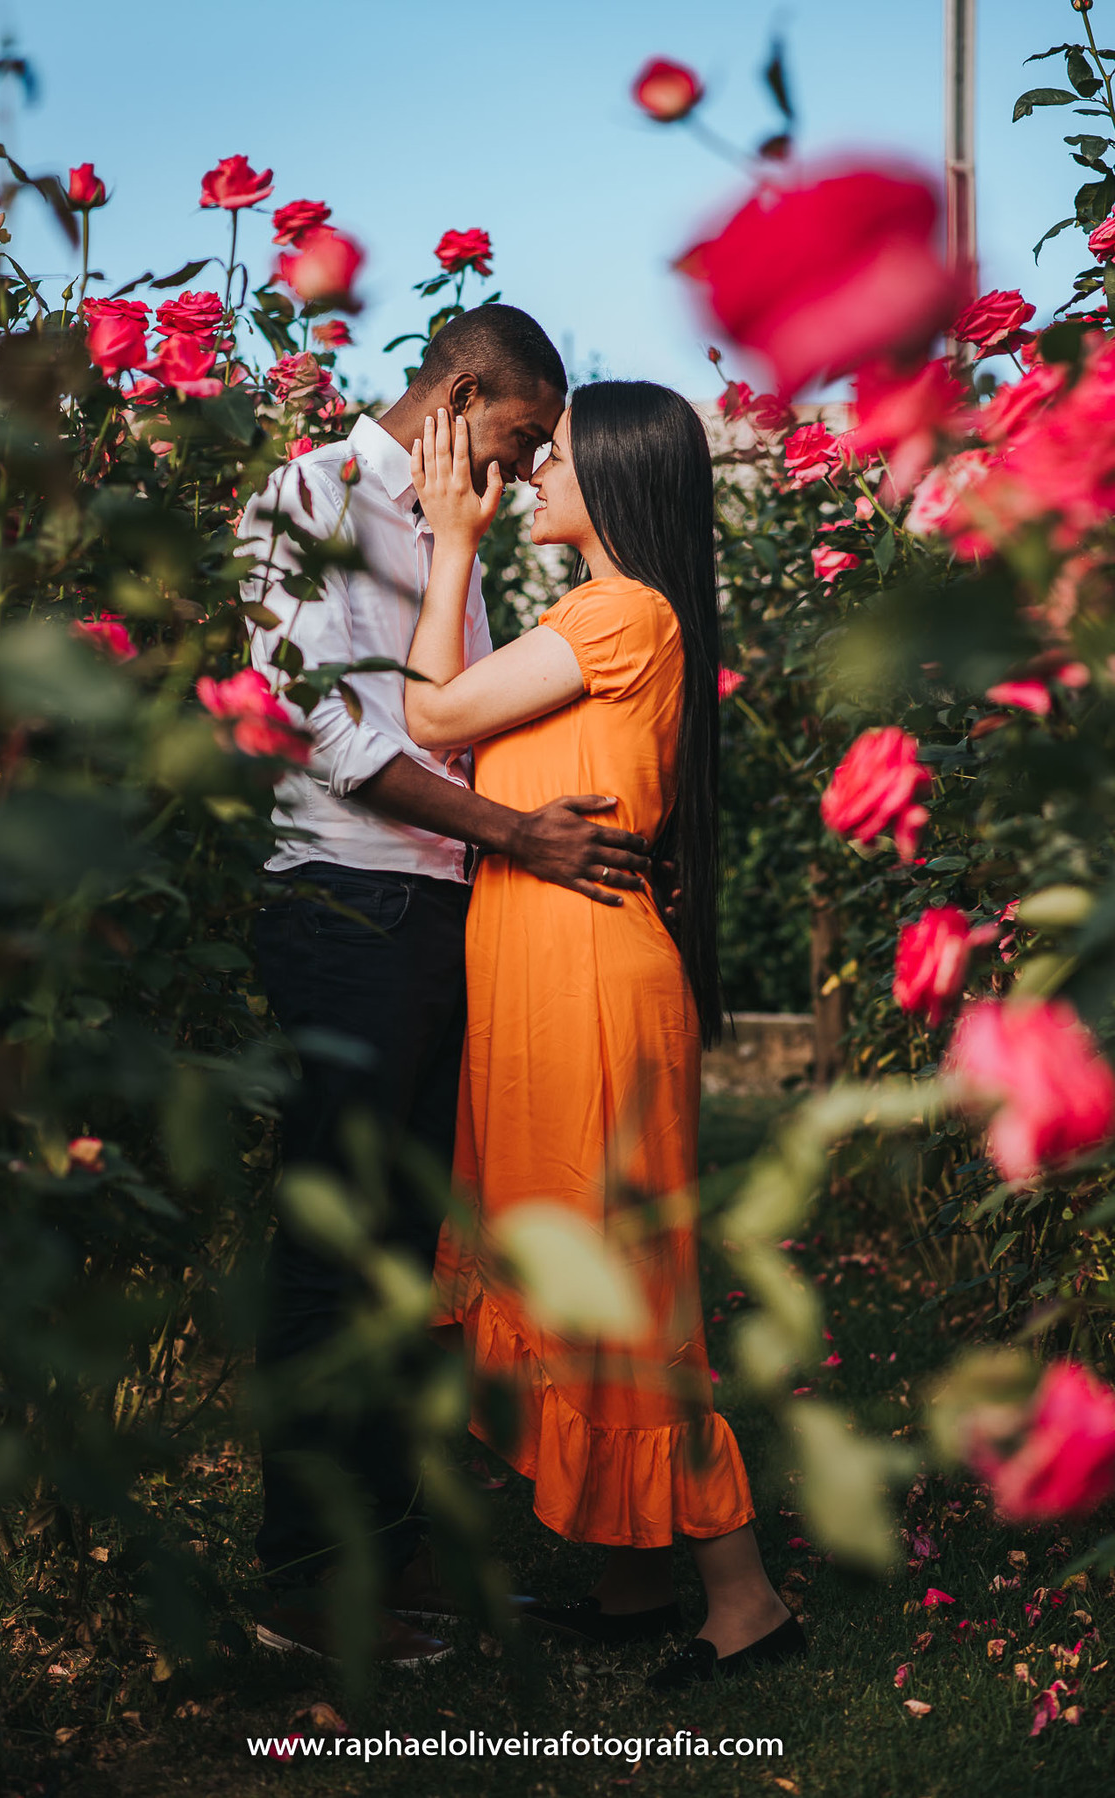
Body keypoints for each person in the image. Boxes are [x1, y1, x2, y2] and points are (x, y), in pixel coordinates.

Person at [239, 306, 653, 1667]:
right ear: (464, 391)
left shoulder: (452, 530)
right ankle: (301, 1575)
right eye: (529, 434)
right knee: (335, 1251)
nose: (534, 467)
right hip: (342, 904)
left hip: (438, 914)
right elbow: (325, 722)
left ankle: (394, 1549)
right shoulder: (307, 494)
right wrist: (517, 832)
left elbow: (453, 716)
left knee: (416, 1257)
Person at [402, 383, 805, 1689]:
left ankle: (744, 1599)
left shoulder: (620, 611)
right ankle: (634, 1578)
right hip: (546, 975)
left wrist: (451, 538)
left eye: (553, 460)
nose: (532, 477)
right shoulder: (603, 617)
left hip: (581, 984)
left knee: (618, 1285)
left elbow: (432, 715)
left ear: (617, 477)